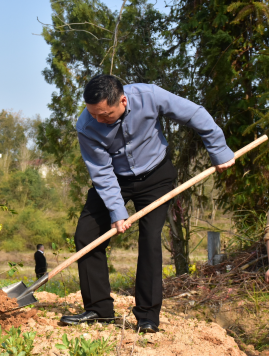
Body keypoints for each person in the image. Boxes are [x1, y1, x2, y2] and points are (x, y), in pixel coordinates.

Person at [60, 75, 235, 332]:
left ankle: (147, 316)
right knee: (86, 234)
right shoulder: (87, 125)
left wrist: (218, 150)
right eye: (93, 114)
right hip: (115, 179)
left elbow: (195, 114)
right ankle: (99, 309)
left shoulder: (149, 95)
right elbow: (101, 172)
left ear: (122, 100)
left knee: (150, 239)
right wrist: (117, 211)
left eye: (105, 114)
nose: (98, 120)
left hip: (155, 175)